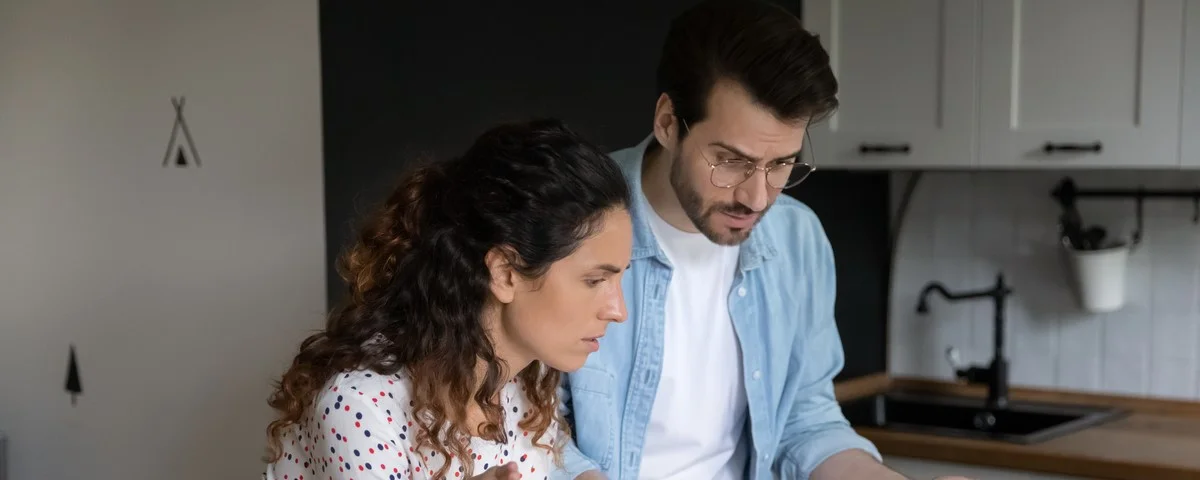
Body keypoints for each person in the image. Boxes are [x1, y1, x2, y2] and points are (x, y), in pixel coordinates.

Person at [552, 1, 914, 479]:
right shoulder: (562, 222)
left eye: (781, 163)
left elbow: (806, 423)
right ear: (667, 122)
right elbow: (524, 427)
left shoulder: (797, 239)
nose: (757, 197)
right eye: (731, 161)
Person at [264, 118, 634, 480]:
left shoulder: (530, 382)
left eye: (619, 279)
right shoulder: (360, 407)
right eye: (595, 280)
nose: (618, 311)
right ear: (505, 273)